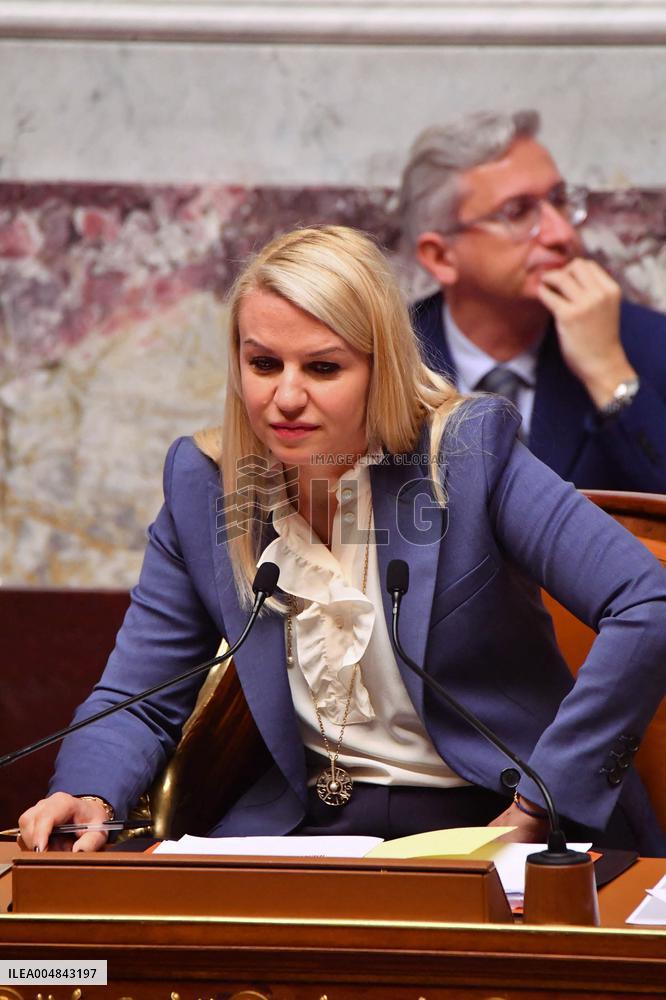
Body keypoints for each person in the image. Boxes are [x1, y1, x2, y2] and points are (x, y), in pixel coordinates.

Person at [18, 225, 666, 856]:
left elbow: (648, 601)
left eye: (323, 367)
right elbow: (140, 697)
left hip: (490, 823)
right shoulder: (206, 486)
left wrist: (539, 803)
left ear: (378, 369)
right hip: (307, 832)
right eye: (263, 363)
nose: (286, 397)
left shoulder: (467, 455)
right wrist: (87, 793)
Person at [399, 110, 666, 491]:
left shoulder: (650, 347)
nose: (561, 234)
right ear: (440, 257)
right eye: (518, 212)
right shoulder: (386, 354)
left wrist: (608, 373)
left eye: (558, 200)